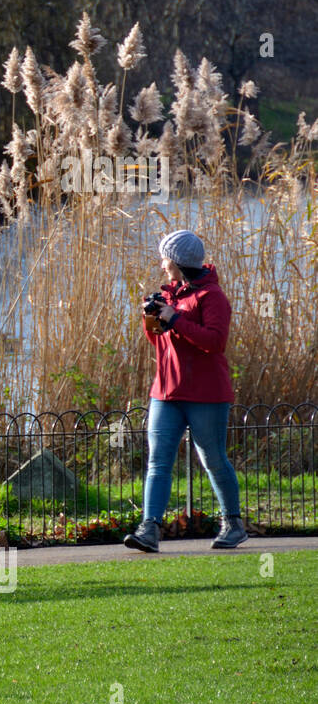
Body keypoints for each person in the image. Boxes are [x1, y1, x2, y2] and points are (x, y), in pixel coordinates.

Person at [124, 230, 246, 553]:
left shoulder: (212, 297)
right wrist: (152, 319)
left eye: (166, 258)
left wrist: (175, 319)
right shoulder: (171, 295)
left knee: (213, 459)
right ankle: (149, 529)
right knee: (158, 462)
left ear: (178, 262)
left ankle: (233, 524)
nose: (163, 265)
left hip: (206, 394)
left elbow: (214, 342)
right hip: (165, 392)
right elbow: (159, 343)